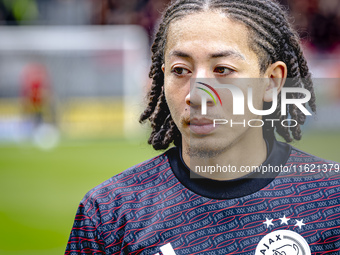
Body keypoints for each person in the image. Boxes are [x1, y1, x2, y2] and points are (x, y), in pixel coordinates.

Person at [65, 0, 340, 254]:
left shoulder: (331, 200)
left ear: (271, 82)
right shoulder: (109, 214)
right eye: (180, 70)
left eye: (222, 70)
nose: (196, 95)